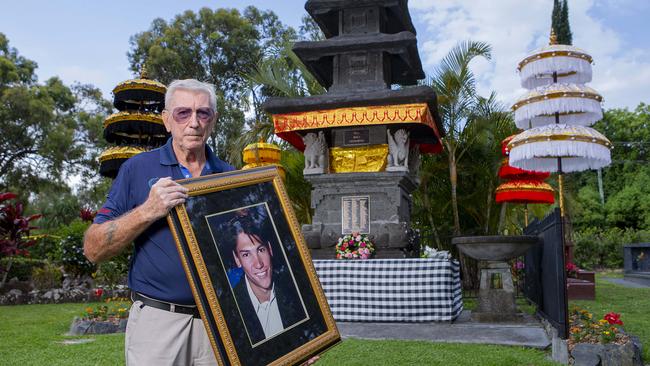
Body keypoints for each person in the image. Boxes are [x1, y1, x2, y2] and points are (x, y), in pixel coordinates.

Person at [83, 79, 233, 365]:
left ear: (212, 121)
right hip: (158, 325)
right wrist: (147, 211)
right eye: (183, 113)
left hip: (220, 325)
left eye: (203, 113)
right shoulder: (137, 169)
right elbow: (93, 249)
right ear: (167, 120)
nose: (194, 122)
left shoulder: (230, 177)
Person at [226, 212, 307, 345]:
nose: (259, 264)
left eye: (261, 250)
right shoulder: (230, 310)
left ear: (269, 249)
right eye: (246, 255)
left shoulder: (297, 288)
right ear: (237, 259)